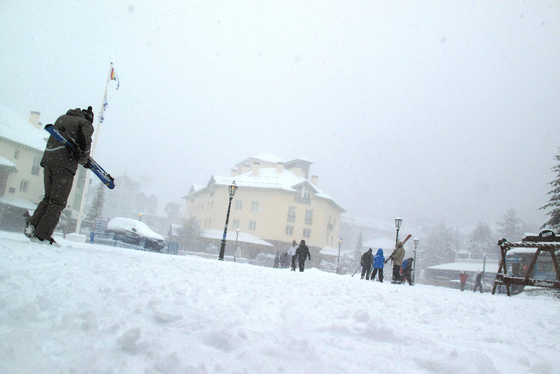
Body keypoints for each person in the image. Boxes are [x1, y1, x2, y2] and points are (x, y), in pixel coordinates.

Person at [25, 107, 95, 244]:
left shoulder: (63, 118)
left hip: (48, 160)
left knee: (49, 198)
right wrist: (83, 159)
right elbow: (86, 145)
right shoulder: (84, 124)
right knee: (57, 202)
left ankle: (32, 226)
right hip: (64, 165)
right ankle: (42, 236)